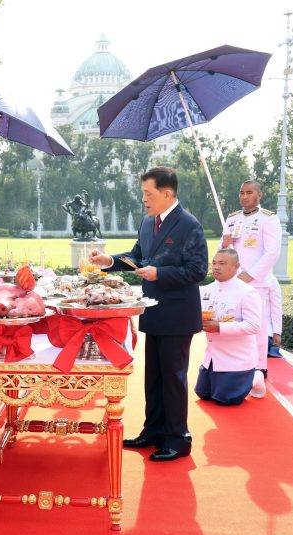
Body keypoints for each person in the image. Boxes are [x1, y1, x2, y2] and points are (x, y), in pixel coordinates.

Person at [90, 166, 208, 462]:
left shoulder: (189, 224)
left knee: (172, 378)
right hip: (152, 310)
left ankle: (178, 439)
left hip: (177, 313)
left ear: (167, 193)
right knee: (153, 377)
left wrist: (160, 273)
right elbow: (137, 257)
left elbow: (198, 270)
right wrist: (109, 261)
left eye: (148, 193)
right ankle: (153, 431)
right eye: (143, 193)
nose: (143, 199)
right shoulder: (147, 222)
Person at [220, 180, 281, 397]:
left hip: (256, 283)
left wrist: (250, 275)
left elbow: (272, 252)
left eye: (249, 192)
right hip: (233, 281)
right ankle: (235, 367)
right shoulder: (232, 218)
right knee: (233, 324)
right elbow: (222, 250)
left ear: (259, 195)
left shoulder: (268, 218)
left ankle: (258, 369)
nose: (244, 196)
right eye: (241, 192)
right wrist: (225, 243)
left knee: (256, 328)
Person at [196, 249, 263, 404]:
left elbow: (254, 326)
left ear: (236, 266)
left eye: (222, 263)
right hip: (212, 357)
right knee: (203, 394)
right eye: (214, 263)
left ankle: (255, 377)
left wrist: (219, 327)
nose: (216, 267)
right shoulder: (205, 290)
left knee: (226, 399)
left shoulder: (247, 292)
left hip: (237, 359)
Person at [266, 276, 283, 358]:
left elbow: (276, 308)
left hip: (265, 335)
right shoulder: (235, 277)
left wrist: (277, 333)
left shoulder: (271, 281)